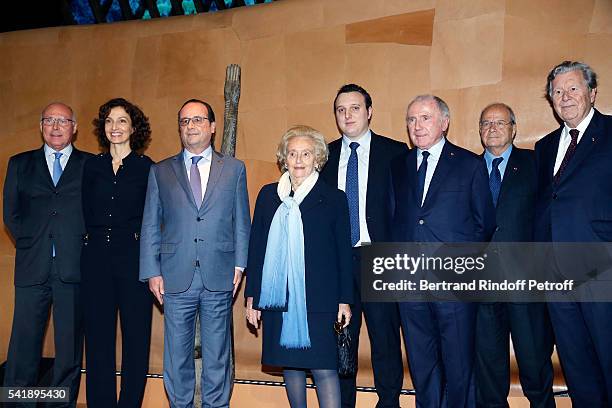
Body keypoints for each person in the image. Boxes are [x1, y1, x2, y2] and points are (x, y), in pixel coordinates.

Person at [139, 99, 250, 408]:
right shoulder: (160, 171)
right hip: (174, 277)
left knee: (217, 355)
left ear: (212, 127)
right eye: (185, 121)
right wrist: (151, 271)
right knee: (176, 355)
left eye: (198, 120)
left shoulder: (234, 169)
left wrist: (240, 266)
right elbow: (150, 224)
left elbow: (242, 220)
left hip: (220, 274)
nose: (191, 126)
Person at [389, 95, 496, 408]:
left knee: (459, 362)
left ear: (445, 122)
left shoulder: (469, 164)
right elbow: (395, 219)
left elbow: (485, 224)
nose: (417, 126)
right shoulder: (399, 166)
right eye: (411, 119)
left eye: (425, 118)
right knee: (421, 363)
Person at [245, 125, 353, 408]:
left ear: (317, 158)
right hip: (278, 298)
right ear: (284, 158)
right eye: (292, 153)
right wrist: (252, 297)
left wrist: (345, 301)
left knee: (324, 368)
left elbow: (344, 253)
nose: (299, 160)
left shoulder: (334, 198)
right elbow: (256, 250)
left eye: (306, 153)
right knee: (290, 366)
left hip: (320, 301)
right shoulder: (269, 196)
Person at [320, 84, 407, 408]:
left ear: (369, 111)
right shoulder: (324, 157)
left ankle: (389, 402)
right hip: (339, 262)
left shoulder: (396, 152)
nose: (347, 115)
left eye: (355, 108)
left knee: (385, 340)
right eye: (341, 109)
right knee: (343, 341)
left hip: (381, 259)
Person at [3, 102, 93, 407]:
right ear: (41, 126)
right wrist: (32, 243)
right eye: (49, 120)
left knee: (68, 350)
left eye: (63, 121)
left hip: (74, 267)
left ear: (74, 127)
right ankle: (19, 402)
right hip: (32, 267)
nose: (56, 126)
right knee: (23, 346)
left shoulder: (91, 165)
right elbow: (11, 214)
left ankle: (58, 403)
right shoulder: (19, 163)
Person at [534, 60, 612, 407]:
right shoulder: (545, 146)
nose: (564, 97)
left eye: (573, 88)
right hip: (556, 279)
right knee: (577, 368)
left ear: (592, 92)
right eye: (557, 92)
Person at [475, 103, 555, 408]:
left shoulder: (536, 164)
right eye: (486, 123)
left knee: (534, 360)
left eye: (500, 122)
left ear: (514, 128)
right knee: (488, 364)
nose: (492, 128)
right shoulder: (466, 168)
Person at [81, 98, 154, 407]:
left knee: (136, 339)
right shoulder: (91, 166)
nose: (115, 127)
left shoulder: (147, 168)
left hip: (134, 260)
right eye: (109, 121)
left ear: (133, 127)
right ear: (103, 128)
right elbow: (83, 210)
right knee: (97, 341)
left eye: (122, 121)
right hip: (95, 258)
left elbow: (154, 218)